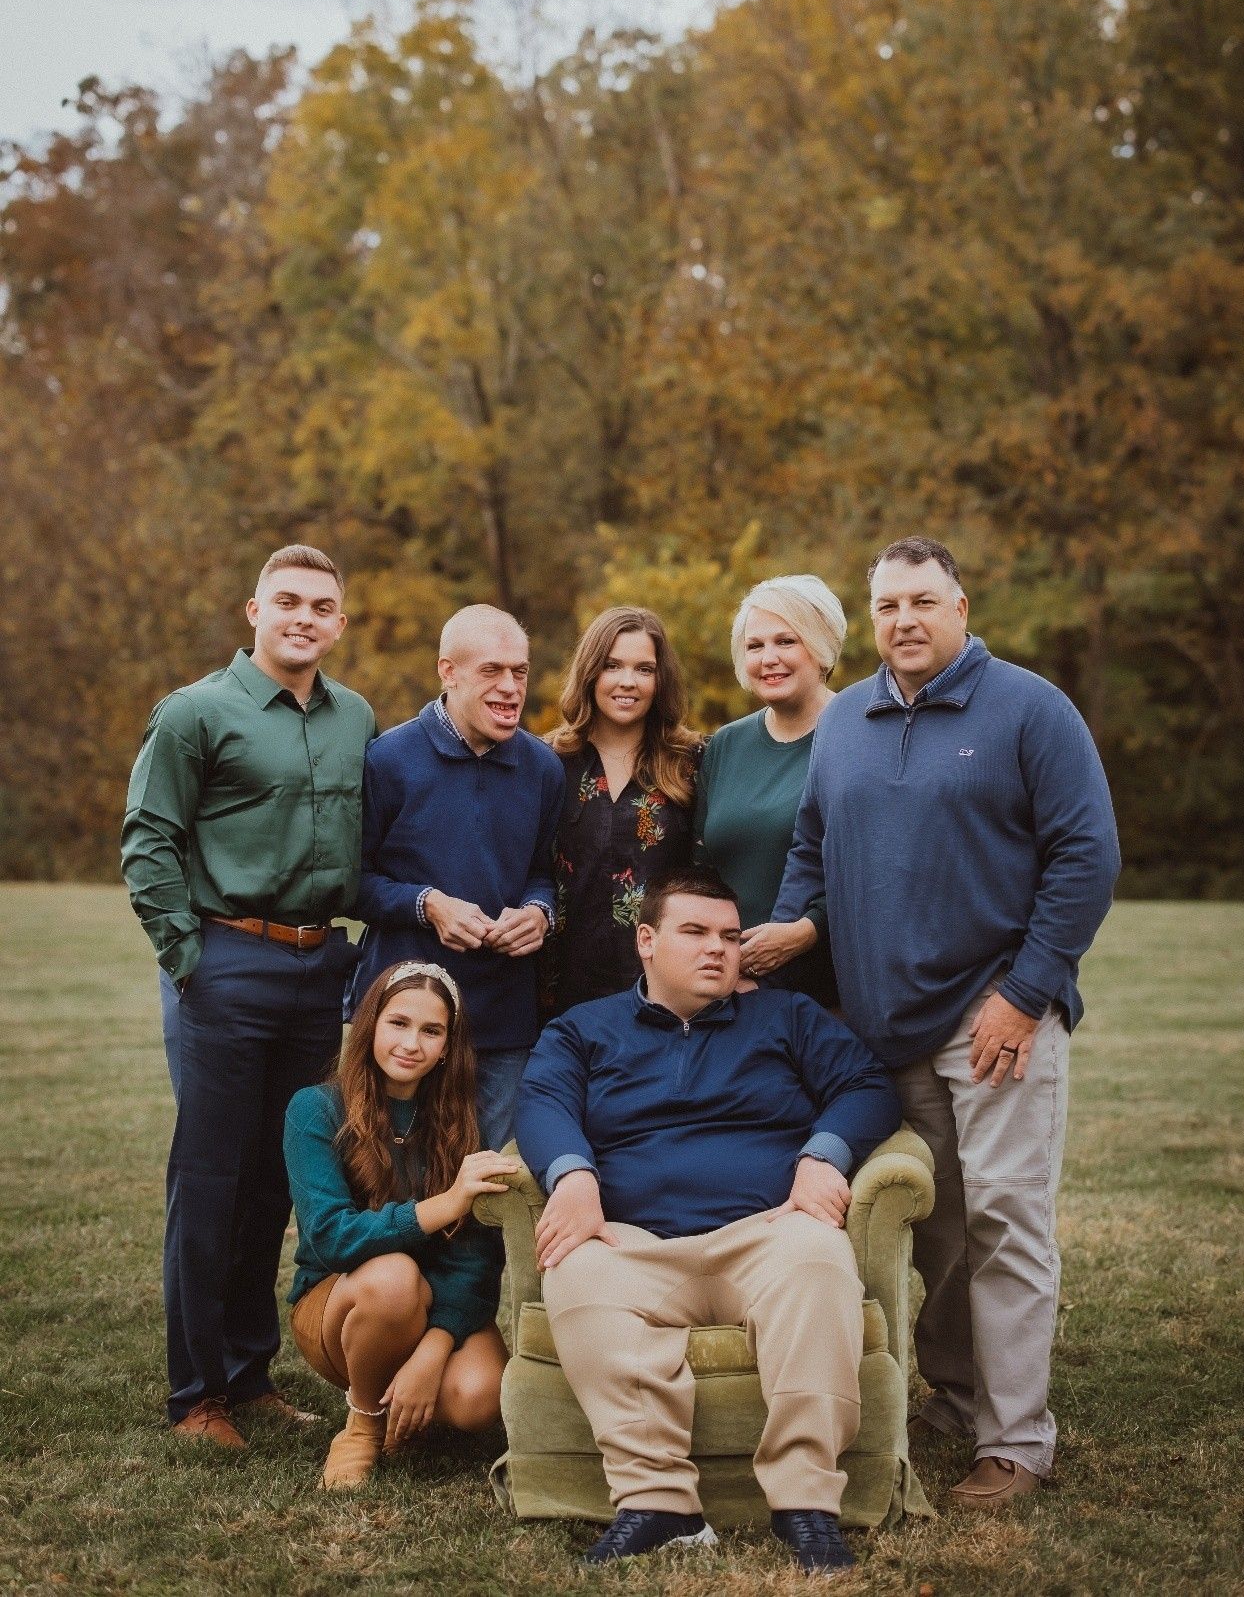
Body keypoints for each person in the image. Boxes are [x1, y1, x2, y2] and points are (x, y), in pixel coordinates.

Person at [774, 536, 1121, 1512]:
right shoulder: (846, 718)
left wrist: (1027, 992)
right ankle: (959, 1394)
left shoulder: (1029, 709)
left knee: (1007, 1220)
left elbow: (1086, 856)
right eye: (887, 607)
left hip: (994, 1011)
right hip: (887, 1022)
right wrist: (791, 939)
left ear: (962, 608)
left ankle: (1015, 1442)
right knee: (943, 1230)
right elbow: (812, 847)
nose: (905, 621)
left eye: (923, 602)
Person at [515, 867, 902, 1573]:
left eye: (729, 935)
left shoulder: (785, 1017)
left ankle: (807, 1505)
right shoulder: (583, 1028)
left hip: (765, 1233)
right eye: (693, 932)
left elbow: (868, 1086)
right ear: (646, 940)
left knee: (818, 1260)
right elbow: (542, 1101)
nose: (717, 949)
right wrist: (570, 1174)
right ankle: (659, 1505)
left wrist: (824, 1156)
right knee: (576, 1272)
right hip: (633, 1242)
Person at [121, 545, 376, 1449]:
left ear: (340, 623)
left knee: (276, 1177)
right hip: (224, 962)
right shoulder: (196, 713)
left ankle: (248, 1372)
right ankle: (196, 1396)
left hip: (319, 971)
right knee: (211, 1180)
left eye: (321, 606)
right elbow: (147, 839)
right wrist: (189, 960)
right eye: (287, 603)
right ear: (254, 612)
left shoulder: (355, 718)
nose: (303, 618)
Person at [284, 961, 517, 1488]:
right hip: (342, 1302)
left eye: (431, 1031)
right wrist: (444, 1205)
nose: (412, 1043)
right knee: (393, 1276)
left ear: (447, 1048)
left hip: (434, 1302)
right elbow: (332, 1237)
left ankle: (404, 1392)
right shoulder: (315, 1109)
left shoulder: (462, 1120)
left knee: (479, 1396)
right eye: (398, 1023)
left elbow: (478, 1259)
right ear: (371, 1026)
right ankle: (364, 1421)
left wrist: (433, 1351)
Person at [351, 604, 564, 1151]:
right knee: (399, 1182)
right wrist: (427, 904)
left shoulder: (543, 768)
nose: (511, 687)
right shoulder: (388, 758)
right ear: (448, 671)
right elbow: (352, 881)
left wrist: (541, 912)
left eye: (520, 671)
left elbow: (543, 872)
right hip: (403, 1020)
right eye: (492, 671)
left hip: (504, 1020)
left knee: (493, 1190)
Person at [694, 574, 845, 1001]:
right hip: (729, 988)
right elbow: (700, 870)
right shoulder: (726, 744)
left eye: (786, 641)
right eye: (755, 646)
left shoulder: (860, 735)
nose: (769, 658)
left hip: (826, 994)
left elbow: (879, 868)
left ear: (821, 647)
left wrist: (807, 931)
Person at [547, 605, 703, 1011]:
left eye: (645, 669)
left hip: (662, 992)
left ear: (660, 679)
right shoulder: (547, 761)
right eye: (612, 666)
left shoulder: (693, 761)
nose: (627, 682)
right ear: (590, 673)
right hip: (557, 992)